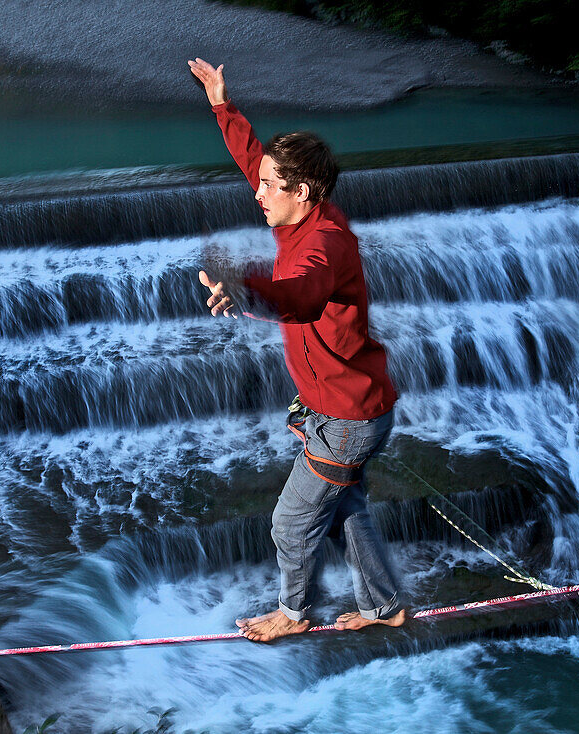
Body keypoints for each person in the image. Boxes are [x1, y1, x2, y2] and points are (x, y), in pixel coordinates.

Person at [187, 58, 406, 642]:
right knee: (346, 508)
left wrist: (243, 287)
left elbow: (304, 295)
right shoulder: (299, 219)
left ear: (302, 192)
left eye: (268, 186)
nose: (256, 190)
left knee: (292, 518)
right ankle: (385, 607)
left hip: (348, 417)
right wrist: (221, 104)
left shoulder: (325, 246)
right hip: (341, 405)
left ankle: (290, 613)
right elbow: (256, 159)